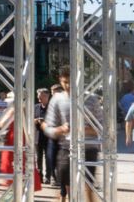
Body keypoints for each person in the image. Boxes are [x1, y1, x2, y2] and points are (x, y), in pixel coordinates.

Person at [45, 66, 103, 202]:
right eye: (65, 82)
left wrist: (82, 129)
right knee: (65, 186)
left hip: (88, 147)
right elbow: (49, 128)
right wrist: (61, 129)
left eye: (71, 82)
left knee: (88, 185)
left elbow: (102, 127)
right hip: (66, 147)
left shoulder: (91, 99)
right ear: (60, 81)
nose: (68, 86)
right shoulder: (57, 99)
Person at [35, 88, 52, 185]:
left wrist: (45, 122)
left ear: (47, 96)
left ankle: (48, 177)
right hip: (38, 136)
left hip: (49, 136)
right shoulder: (36, 107)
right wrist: (36, 120)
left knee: (49, 158)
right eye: (38, 97)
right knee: (38, 158)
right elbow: (30, 118)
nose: (39, 99)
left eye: (40, 97)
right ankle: (40, 177)